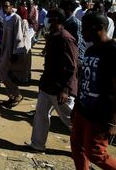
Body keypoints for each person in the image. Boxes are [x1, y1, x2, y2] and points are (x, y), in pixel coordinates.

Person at [27, 8, 78, 152]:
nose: (46, 20)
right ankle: (37, 144)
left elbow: (72, 67)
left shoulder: (66, 38)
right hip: (47, 85)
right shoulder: (53, 36)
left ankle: (85, 147)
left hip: (60, 89)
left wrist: (65, 89)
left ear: (55, 19)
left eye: (48, 17)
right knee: (41, 115)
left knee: (70, 121)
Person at [71, 11, 116, 169]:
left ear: (99, 27)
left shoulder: (113, 51)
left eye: (85, 28)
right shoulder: (91, 50)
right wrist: (76, 106)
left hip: (100, 114)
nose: (82, 32)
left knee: (96, 154)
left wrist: (114, 122)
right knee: (77, 148)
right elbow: (84, 80)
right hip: (83, 110)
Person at [0, 0, 27, 109]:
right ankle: (12, 96)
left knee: (2, 74)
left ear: (12, 7)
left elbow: (18, 37)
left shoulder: (16, 18)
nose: (5, 9)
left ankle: (17, 94)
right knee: (3, 75)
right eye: (3, 6)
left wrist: (15, 52)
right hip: (5, 50)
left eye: (7, 6)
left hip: (12, 51)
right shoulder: (5, 18)